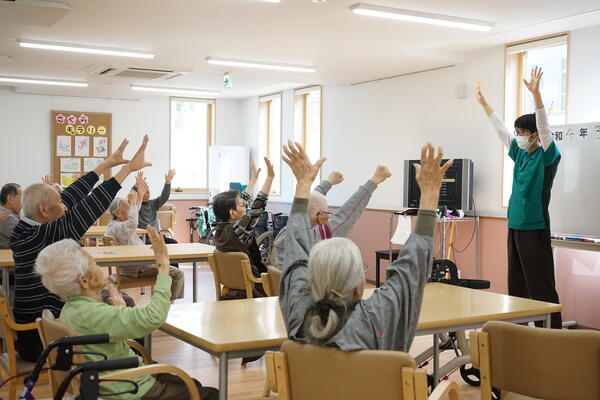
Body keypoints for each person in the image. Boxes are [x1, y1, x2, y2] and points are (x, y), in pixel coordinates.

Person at [279, 141, 451, 351]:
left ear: (309, 281)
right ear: (360, 286)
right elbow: (411, 270)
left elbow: (295, 248)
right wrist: (430, 194)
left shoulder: (298, 312)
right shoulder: (379, 314)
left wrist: (302, 185)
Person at [10, 136, 152, 362]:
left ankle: (128, 362)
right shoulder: (43, 234)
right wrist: (127, 169)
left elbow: (71, 195)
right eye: (60, 203)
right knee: (126, 304)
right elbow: (90, 205)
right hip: (43, 340)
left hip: (39, 328)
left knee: (115, 298)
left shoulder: (26, 228)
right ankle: (136, 367)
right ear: (44, 209)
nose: (65, 206)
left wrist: (103, 166)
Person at [36, 226, 218, 400]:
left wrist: (120, 310)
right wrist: (163, 267)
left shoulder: (72, 309)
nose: (98, 265)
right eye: (93, 263)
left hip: (111, 380)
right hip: (128, 387)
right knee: (212, 395)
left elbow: (107, 329)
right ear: (84, 280)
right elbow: (153, 318)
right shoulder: (95, 313)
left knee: (191, 384)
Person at [475, 67, 562, 329]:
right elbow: (501, 131)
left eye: (522, 131)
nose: (518, 135)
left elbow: (544, 126)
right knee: (518, 283)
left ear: (534, 134)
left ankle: (551, 333)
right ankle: (521, 331)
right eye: (518, 131)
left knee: (540, 284)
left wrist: (536, 95)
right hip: (514, 225)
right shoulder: (521, 153)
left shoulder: (547, 155)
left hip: (535, 228)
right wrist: (484, 103)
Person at [274, 166, 391, 268]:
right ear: (319, 216)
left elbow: (310, 202)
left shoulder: (286, 232)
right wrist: (374, 181)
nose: (328, 217)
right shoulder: (314, 238)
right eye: (326, 213)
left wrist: (328, 182)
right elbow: (347, 214)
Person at [107, 172, 184, 302]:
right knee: (177, 274)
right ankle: (167, 304)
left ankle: (164, 302)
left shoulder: (118, 225)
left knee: (171, 247)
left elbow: (134, 211)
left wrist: (139, 195)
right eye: (127, 207)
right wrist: (137, 194)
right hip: (137, 270)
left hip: (139, 265)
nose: (131, 208)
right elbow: (133, 221)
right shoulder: (121, 227)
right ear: (118, 213)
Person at [211, 158, 274, 299]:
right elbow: (258, 206)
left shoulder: (219, 230)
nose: (244, 207)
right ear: (232, 213)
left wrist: (253, 180)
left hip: (231, 288)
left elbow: (243, 199)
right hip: (254, 288)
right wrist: (269, 178)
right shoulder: (238, 231)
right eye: (241, 206)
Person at [133, 169, 178, 244]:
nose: (146, 194)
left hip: (157, 235)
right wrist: (135, 186)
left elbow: (164, 196)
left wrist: (168, 183)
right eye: (144, 192)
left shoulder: (153, 203)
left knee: (174, 243)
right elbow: (131, 196)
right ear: (139, 193)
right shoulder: (135, 205)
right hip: (144, 237)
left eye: (148, 192)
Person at [0, 183, 21, 249]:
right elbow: (30, 236)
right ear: (10, 199)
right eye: (22, 198)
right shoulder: (6, 217)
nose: (24, 202)